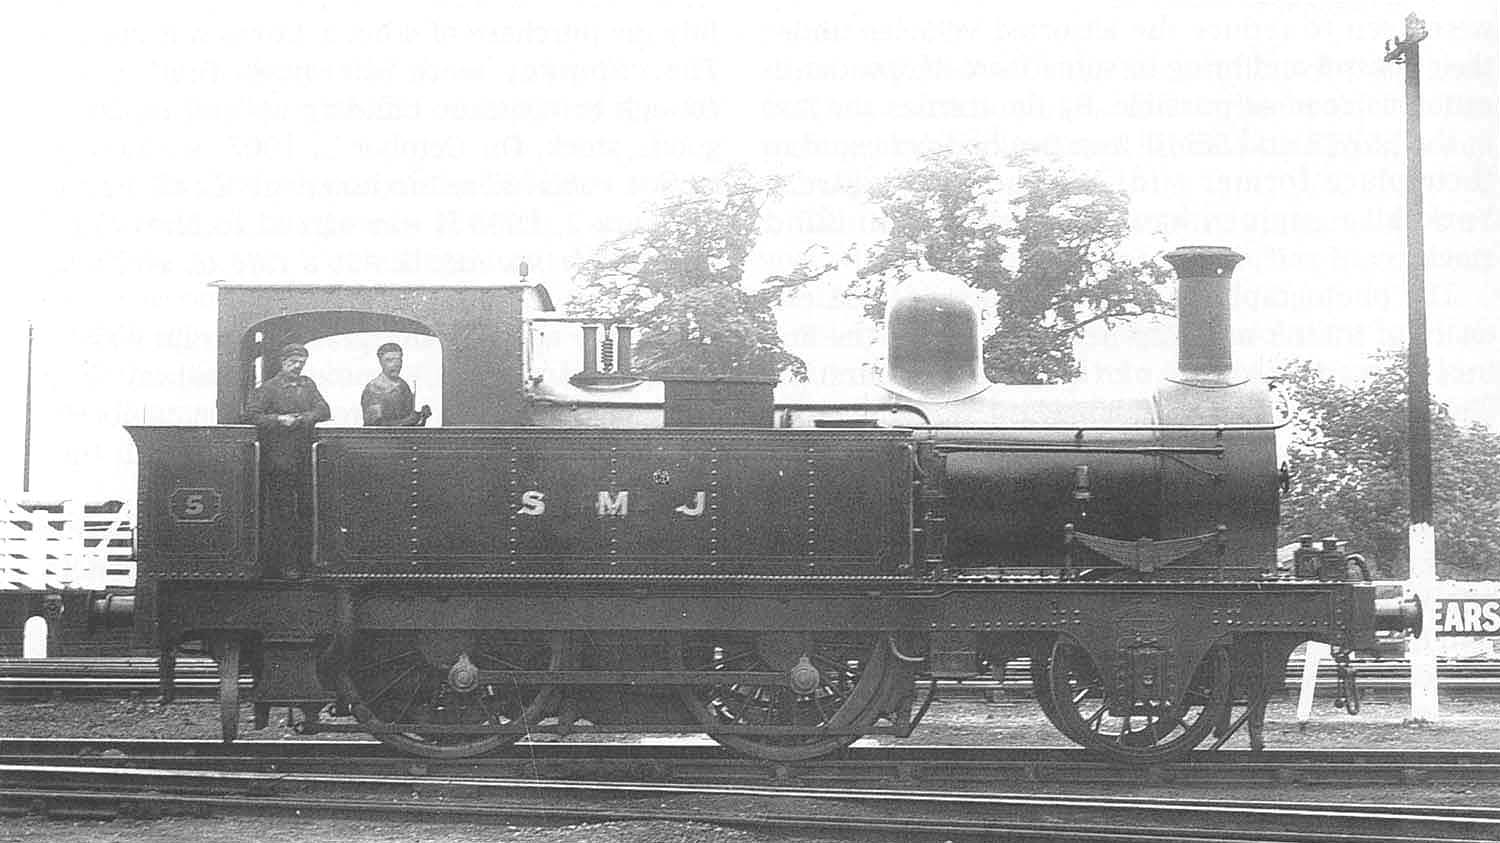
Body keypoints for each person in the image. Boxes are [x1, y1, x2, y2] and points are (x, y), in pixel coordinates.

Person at [244, 342, 331, 577]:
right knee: (282, 512)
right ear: (283, 362)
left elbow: (324, 410)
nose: (298, 367)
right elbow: (251, 415)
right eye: (293, 362)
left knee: (306, 509)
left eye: (301, 363)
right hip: (278, 458)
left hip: (306, 459)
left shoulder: (308, 385)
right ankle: (284, 564)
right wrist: (279, 420)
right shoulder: (268, 388)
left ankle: (305, 562)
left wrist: (302, 419)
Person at [361, 342, 431, 426]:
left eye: (399, 360)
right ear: (380, 362)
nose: (396, 364)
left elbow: (411, 426)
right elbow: (375, 426)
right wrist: (408, 421)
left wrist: (422, 416)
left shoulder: (403, 385)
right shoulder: (373, 389)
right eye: (390, 360)